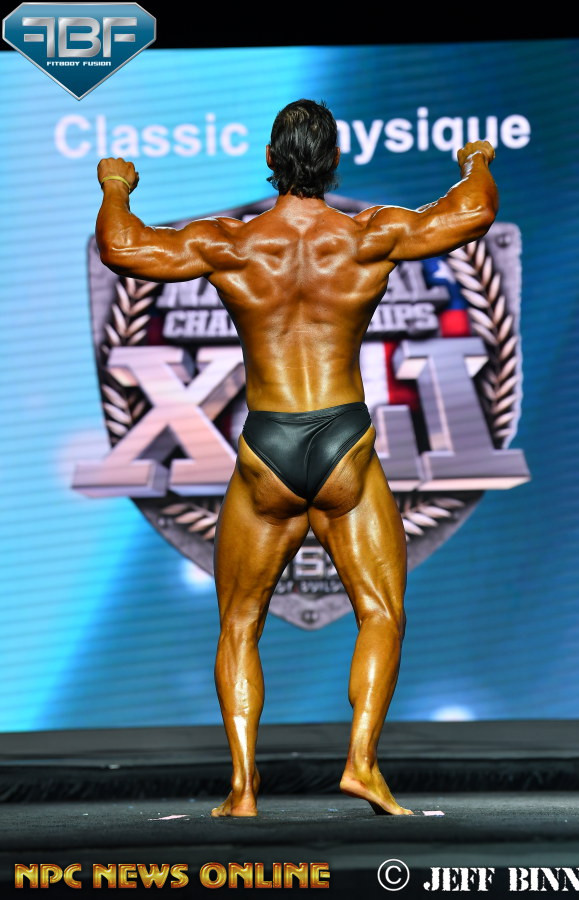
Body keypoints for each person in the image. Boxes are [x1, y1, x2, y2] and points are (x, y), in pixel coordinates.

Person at [95, 98, 498, 818]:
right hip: (344, 441)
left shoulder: (232, 242)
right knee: (381, 612)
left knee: (239, 622)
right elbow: (471, 213)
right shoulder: (369, 235)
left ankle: (243, 789)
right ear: (334, 161)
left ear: (270, 162)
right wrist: (475, 161)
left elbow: (125, 249)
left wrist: (117, 186)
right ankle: (362, 764)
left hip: (268, 448)